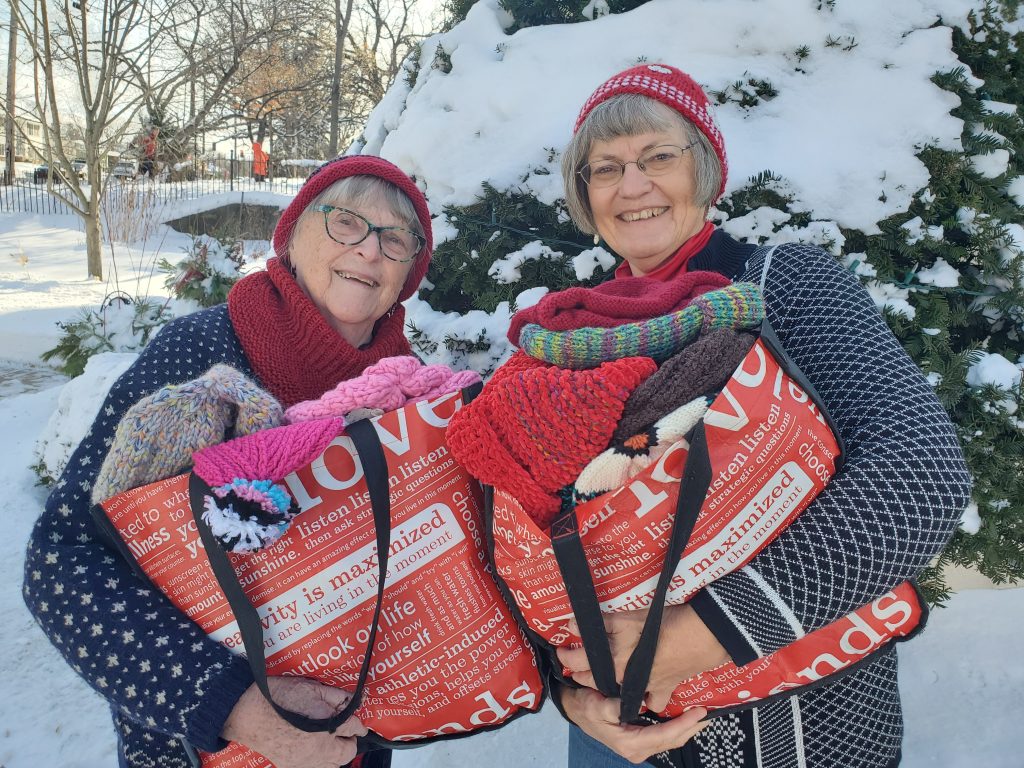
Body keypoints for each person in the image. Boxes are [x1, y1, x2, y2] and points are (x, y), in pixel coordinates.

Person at [546, 64, 972, 767]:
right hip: (614, 741)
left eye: (659, 156)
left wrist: (706, 634)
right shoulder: (571, 339)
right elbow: (528, 545)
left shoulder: (784, 286)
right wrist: (574, 699)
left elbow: (920, 474)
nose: (633, 185)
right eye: (605, 167)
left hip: (804, 729)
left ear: (707, 170)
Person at [22, 155, 433, 768]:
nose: (370, 250)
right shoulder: (202, 356)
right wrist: (235, 707)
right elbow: (64, 560)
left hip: (350, 747)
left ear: (408, 273)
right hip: (196, 747)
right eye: (346, 221)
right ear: (291, 237)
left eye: (395, 238)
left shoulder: (409, 399)